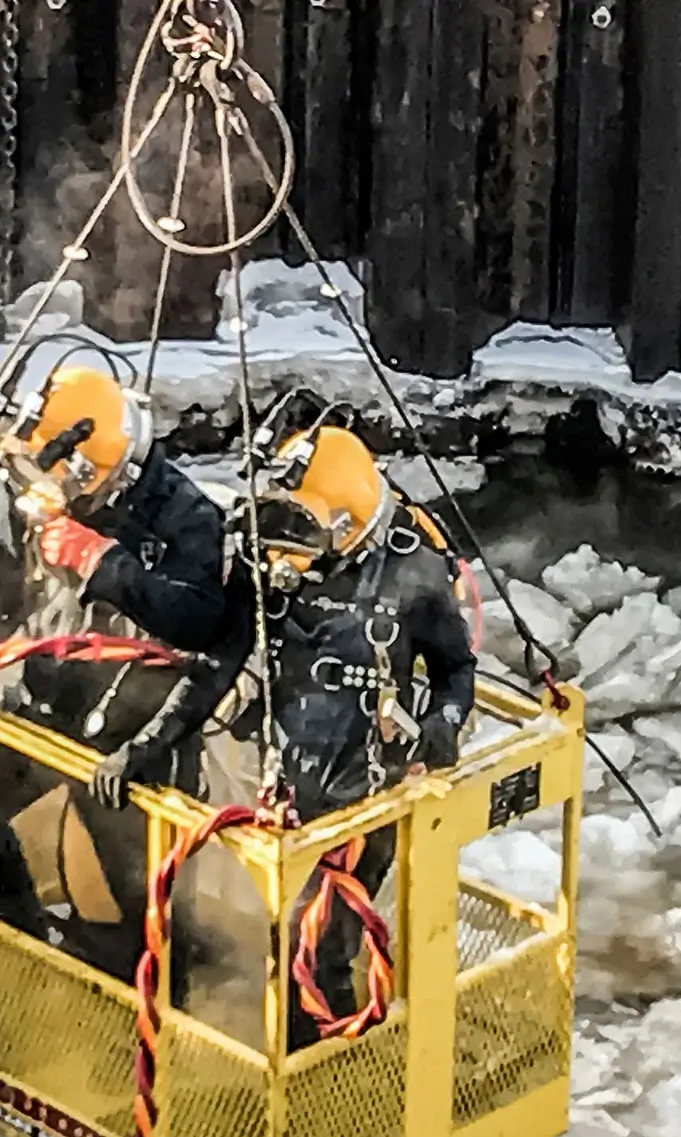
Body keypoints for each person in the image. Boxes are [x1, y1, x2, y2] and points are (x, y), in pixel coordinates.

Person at [93, 421, 477, 1048]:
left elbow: (456, 668)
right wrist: (147, 745)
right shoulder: (270, 570)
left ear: (348, 530)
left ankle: (338, 1091)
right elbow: (218, 665)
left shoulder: (414, 575)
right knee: (287, 940)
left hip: (367, 799)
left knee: (317, 954)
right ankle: (310, 1059)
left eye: (302, 541)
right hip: (290, 786)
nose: (285, 561)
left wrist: (443, 723)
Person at [0, 358, 245, 986]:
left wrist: (104, 564)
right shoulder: (27, 499)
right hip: (46, 700)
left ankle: (161, 1003)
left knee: (140, 889)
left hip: (136, 731)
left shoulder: (183, 516)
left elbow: (201, 621)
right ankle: (18, 947)